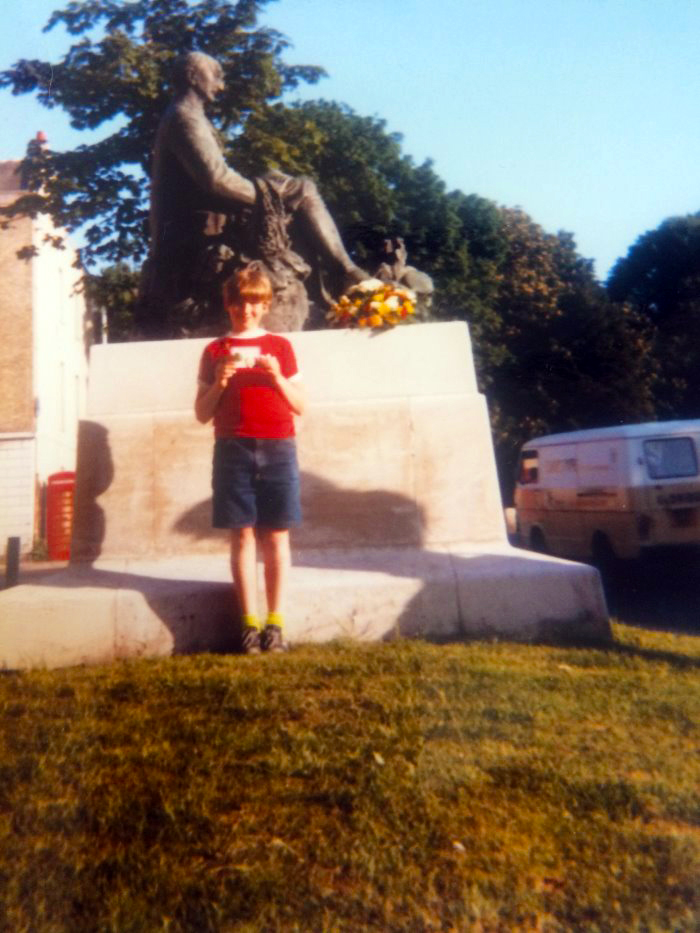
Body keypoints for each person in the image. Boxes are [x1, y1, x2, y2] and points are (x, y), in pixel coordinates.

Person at [146, 50, 365, 329]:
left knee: (280, 182)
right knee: (302, 190)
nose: (221, 85)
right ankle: (346, 272)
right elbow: (215, 179)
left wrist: (267, 189)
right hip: (195, 234)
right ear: (192, 76)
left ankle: (340, 275)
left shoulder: (187, 115)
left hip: (203, 224)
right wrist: (269, 197)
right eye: (216, 76)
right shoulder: (184, 117)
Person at [195, 264, 305, 653]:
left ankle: (274, 623)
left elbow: (301, 405)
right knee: (241, 534)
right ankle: (248, 623)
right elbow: (201, 413)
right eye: (240, 303)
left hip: (278, 446)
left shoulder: (281, 347)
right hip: (232, 448)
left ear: (266, 305)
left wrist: (276, 377)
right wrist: (221, 381)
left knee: (276, 534)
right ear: (228, 305)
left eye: (255, 303)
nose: (247, 310)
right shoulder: (214, 350)